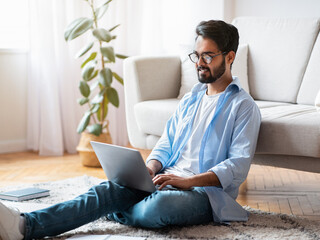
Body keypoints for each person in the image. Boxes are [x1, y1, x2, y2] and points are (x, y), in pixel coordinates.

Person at [0, 20, 261, 240]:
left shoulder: (243, 107)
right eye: (196, 55)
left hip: (203, 194)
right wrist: (151, 168)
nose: (199, 63)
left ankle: (108, 207)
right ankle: (25, 226)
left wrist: (187, 182)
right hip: (165, 179)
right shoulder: (192, 98)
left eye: (208, 55)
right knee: (107, 189)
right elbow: (167, 142)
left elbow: (237, 166)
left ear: (229, 57)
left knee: (154, 208)